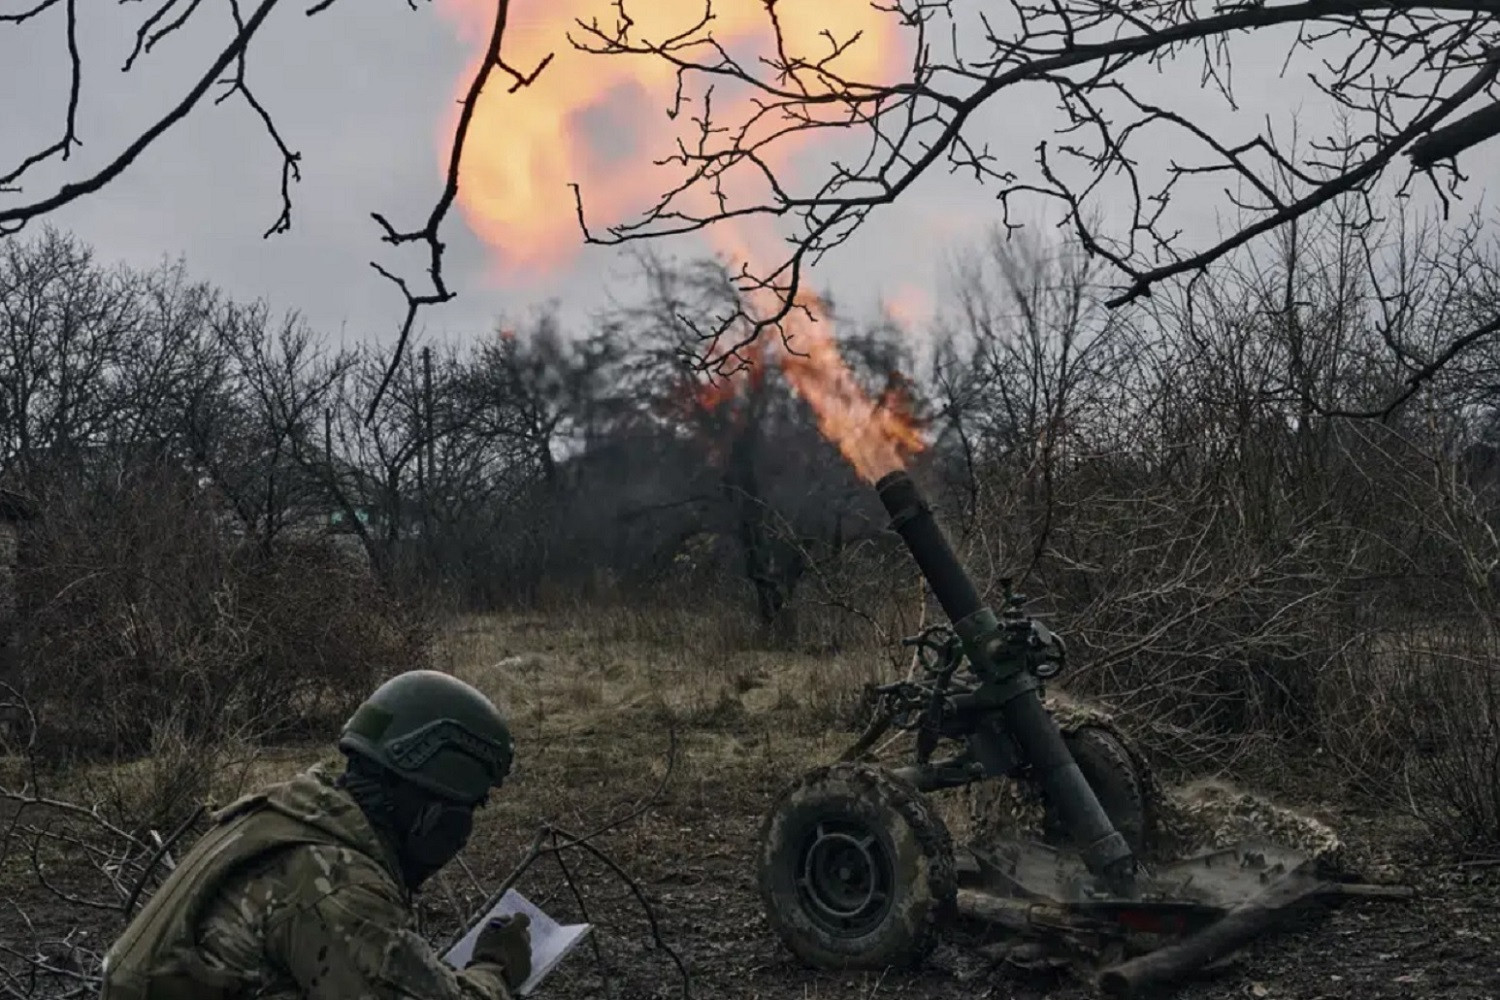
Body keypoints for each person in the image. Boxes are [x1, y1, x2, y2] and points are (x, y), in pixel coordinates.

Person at [99, 669, 531, 1000]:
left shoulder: (287, 812)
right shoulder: (336, 883)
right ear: (433, 812)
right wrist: (494, 969)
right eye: (467, 811)